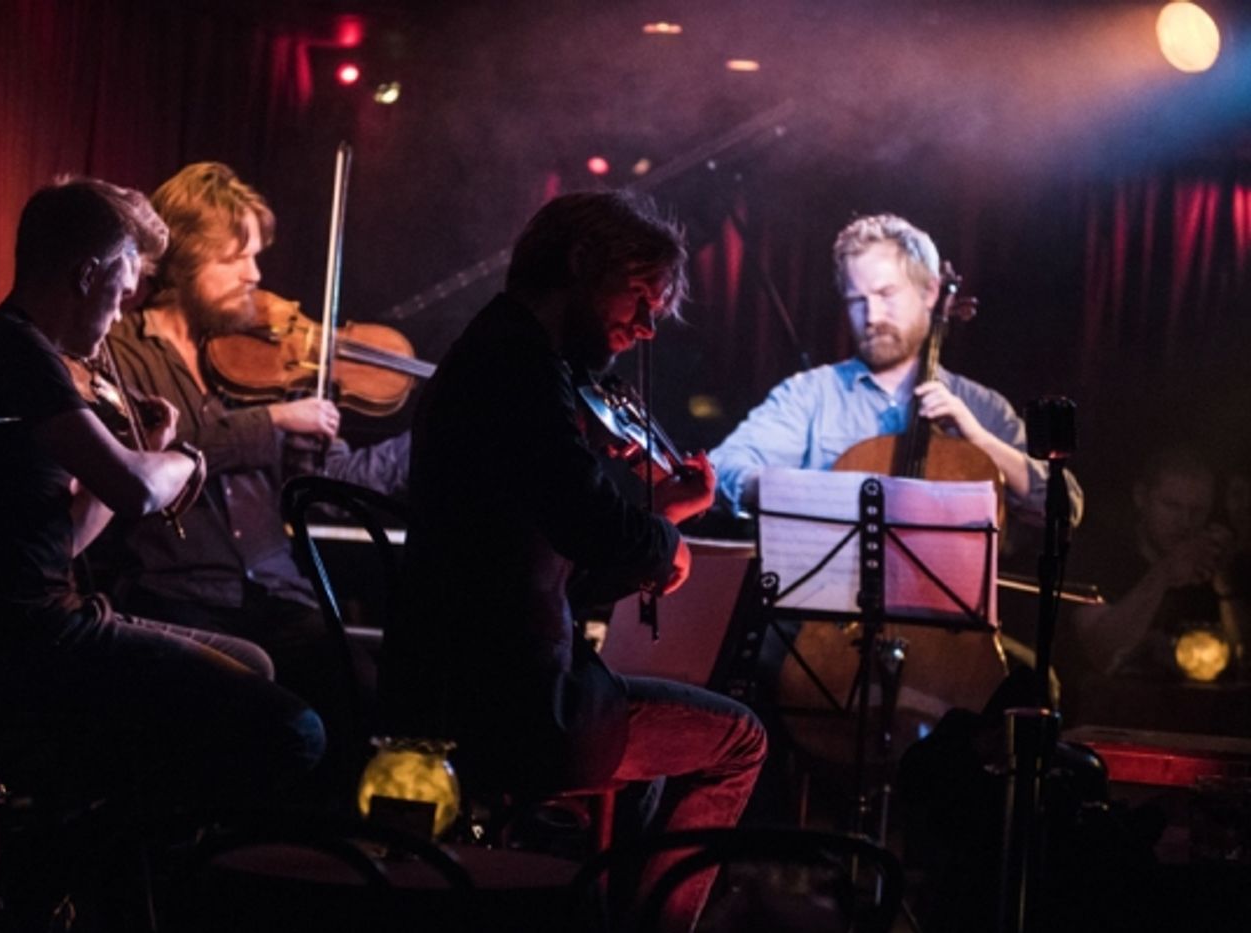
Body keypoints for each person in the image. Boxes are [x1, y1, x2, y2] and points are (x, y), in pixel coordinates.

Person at [380, 190, 767, 933]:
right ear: (583, 263)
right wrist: (664, 542)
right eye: (641, 295)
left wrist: (660, 517)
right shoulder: (520, 364)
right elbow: (590, 522)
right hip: (513, 704)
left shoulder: (500, 350)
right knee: (739, 740)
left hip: (453, 683)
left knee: (651, 776)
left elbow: (562, 563)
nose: (647, 326)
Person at [0, 177, 324, 809]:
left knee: (254, 664)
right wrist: (179, 456)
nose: (120, 313)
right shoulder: (18, 353)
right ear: (86, 276)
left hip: (41, 621)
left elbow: (67, 540)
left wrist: (142, 448)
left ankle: (134, 827)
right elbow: (137, 489)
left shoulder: (6, 348)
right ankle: (124, 837)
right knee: (297, 731)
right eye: (121, 291)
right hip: (35, 639)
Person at [89, 162, 407, 785]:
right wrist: (275, 420)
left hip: (278, 595)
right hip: (181, 597)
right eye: (236, 259)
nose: (255, 276)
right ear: (184, 259)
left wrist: (431, 438)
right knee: (269, 726)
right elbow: (164, 450)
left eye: (255, 257)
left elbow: (332, 490)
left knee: (368, 697)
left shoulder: (257, 358)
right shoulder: (122, 351)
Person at [710, 212, 1083, 527]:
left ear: (930, 293)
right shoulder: (808, 395)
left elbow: (1066, 507)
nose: (872, 316)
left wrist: (981, 442)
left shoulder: (980, 406)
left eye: (886, 294)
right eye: (857, 300)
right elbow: (724, 468)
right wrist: (813, 492)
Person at [1068, 447, 1249, 684]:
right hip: (1108, 701)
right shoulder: (1100, 556)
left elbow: (1243, 664)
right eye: (1172, 506)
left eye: (1197, 511)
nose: (1185, 522)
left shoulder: (1210, 566)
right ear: (1141, 497)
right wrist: (1163, 573)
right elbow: (1103, 651)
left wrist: (1226, 582)